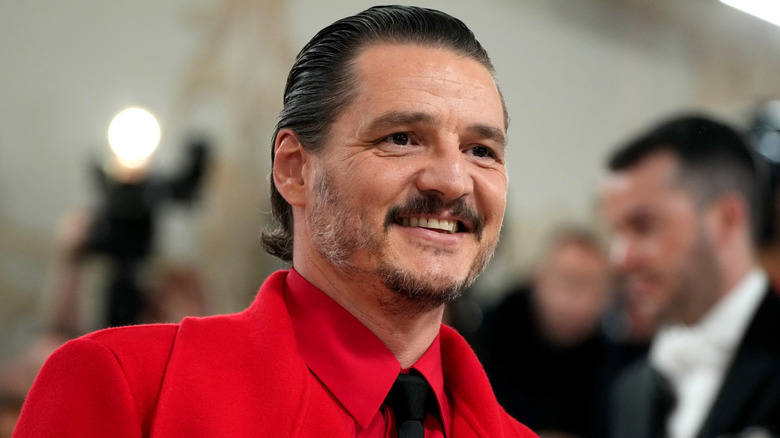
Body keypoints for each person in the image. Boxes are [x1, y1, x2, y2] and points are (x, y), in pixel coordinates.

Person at [13, 6, 538, 438]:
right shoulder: (126, 387)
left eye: (481, 150)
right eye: (400, 138)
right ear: (295, 170)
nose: (453, 180)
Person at [601, 114, 780, 438]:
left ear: (726, 220)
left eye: (644, 226)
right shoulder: (630, 391)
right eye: (617, 231)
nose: (620, 259)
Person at [475, 227, 617, 438]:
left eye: (586, 286)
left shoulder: (616, 362)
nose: (570, 300)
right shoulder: (488, 336)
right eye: (563, 280)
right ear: (537, 279)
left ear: (607, 297)